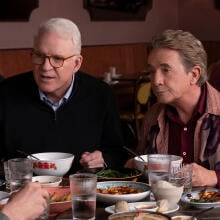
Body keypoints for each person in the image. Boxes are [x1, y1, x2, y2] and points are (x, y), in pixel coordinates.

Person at [0, 17, 128, 173]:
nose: (46, 67)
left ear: (76, 63)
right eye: (39, 56)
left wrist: (103, 159)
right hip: (22, 192)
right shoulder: (6, 92)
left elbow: (118, 153)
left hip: (82, 191)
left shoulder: (101, 94)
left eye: (57, 59)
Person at [125, 29, 220, 188]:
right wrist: (134, 166)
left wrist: (214, 177)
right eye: (151, 71)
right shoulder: (153, 116)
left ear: (194, 75)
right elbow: (144, 168)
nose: (156, 81)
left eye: (165, 70)